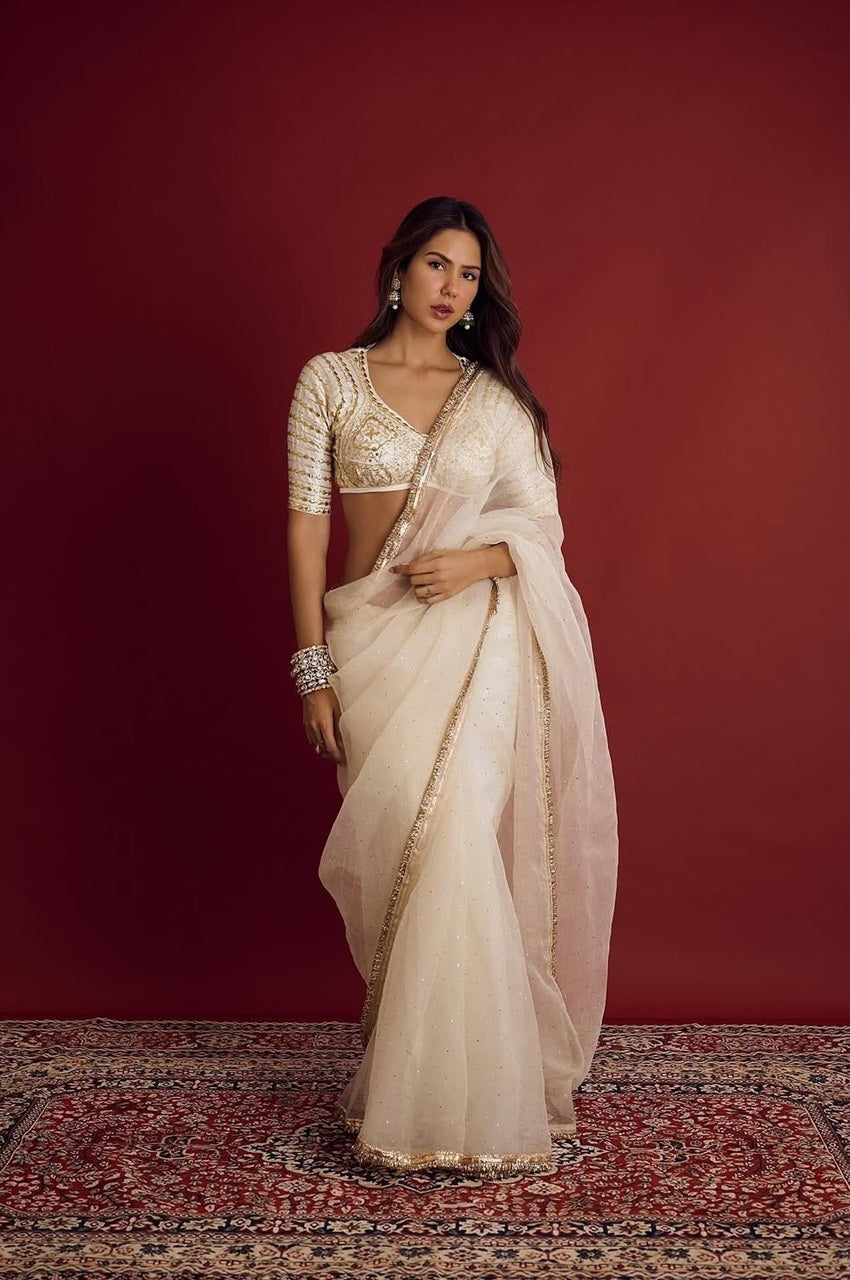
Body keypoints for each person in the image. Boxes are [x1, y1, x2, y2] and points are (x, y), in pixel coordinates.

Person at [286, 195, 618, 1176]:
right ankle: (429, 1077)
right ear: (398, 270)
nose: (451, 288)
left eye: (468, 274)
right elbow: (305, 526)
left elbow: (542, 536)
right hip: (373, 644)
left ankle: (465, 1107)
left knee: (457, 846)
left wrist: (478, 565)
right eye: (437, 265)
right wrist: (311, 665)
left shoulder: (495, 400)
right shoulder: (330, 382)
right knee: (406, 856)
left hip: (476, 648)